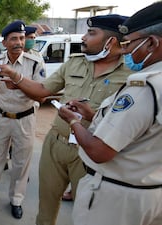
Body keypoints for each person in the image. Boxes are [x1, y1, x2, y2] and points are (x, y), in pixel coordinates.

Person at [0, 15, 130, 225]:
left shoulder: (131, 75)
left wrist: (90, 116)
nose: (83, 37)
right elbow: (43, 90)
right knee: (46, 204)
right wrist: (16, 76)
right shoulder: (75, 63)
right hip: (55, 143)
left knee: (86, 211)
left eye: (91, 33)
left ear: (111, 41)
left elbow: (127, 124)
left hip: (90, 151)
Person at [57, 3, 162, 224]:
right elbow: (141, 132)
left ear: (151, 43)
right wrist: (92, 116)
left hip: (117, 197)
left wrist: (73, 121)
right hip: (150, 192)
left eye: (130, 44)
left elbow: (99, 151)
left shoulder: (144, 87)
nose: (126, 51)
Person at [0, 20, 45, 219]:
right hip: (1, 117)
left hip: (25, 119)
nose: (19, 42)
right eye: (14, 39)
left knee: (21, 162)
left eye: (22, 38)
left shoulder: (35, 63)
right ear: (5, 42)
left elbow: (41, 95)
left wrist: (19, 83)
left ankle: (16, 199)